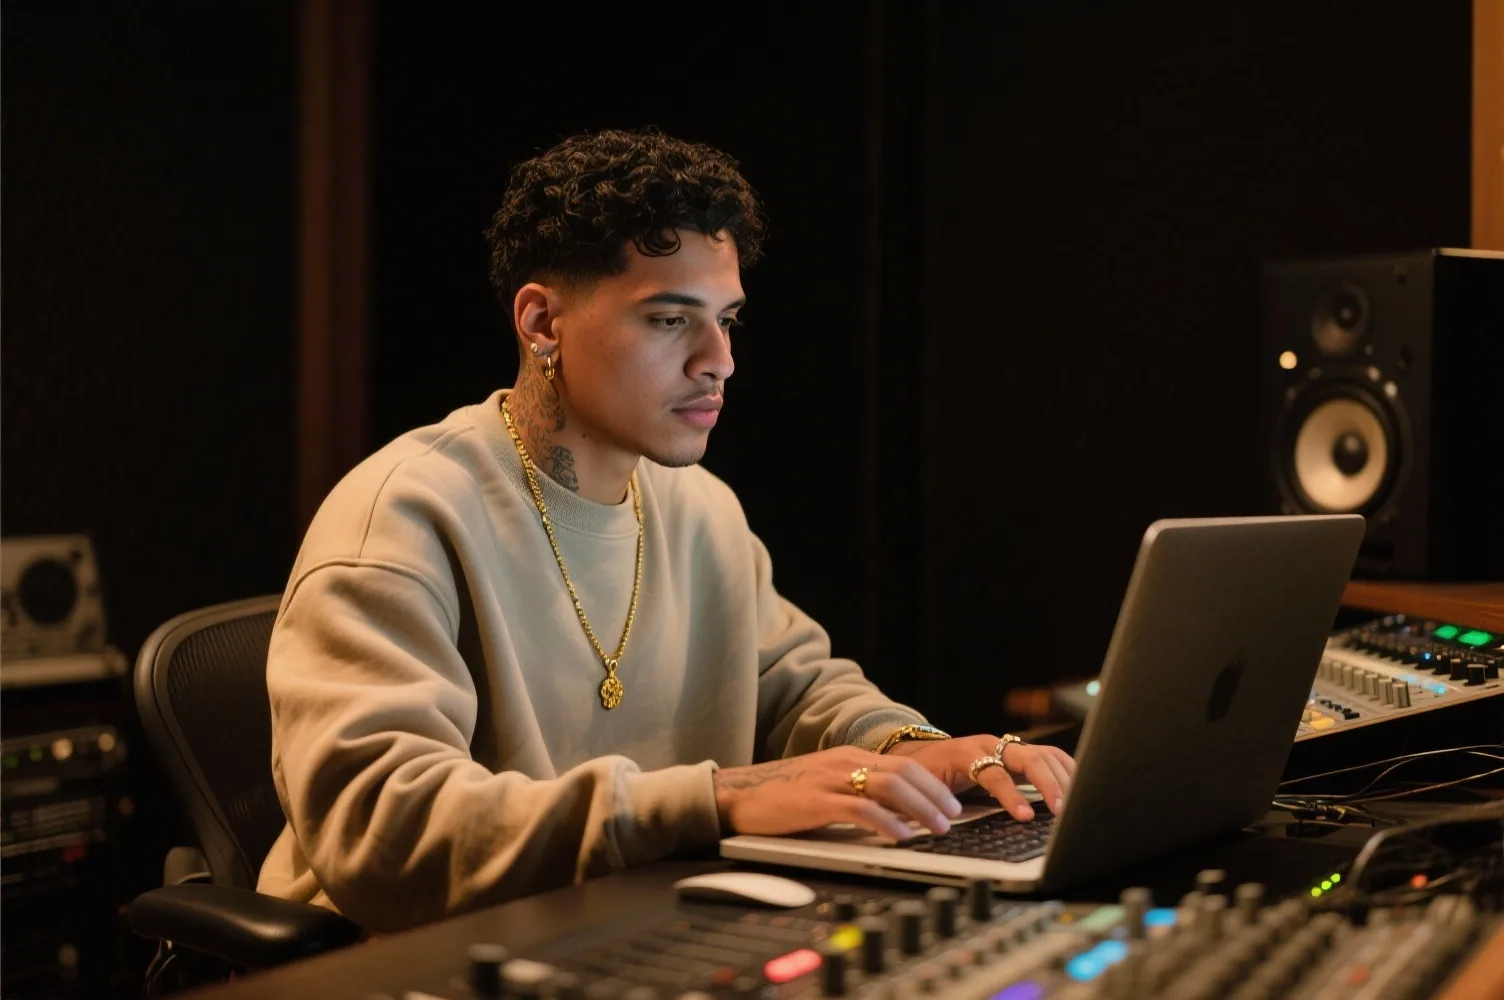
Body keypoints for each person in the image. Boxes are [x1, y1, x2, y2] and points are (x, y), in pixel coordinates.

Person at [257, 128, 1076, 933]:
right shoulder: (401, 517)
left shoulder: (699, 508)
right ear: (542, 323)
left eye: (729, 320)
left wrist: (908, 748)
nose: (718, 359)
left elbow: (798, 689)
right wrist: (715, 799)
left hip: (617, 927)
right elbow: (384, 837)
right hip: (409, 961)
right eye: (668, 320)